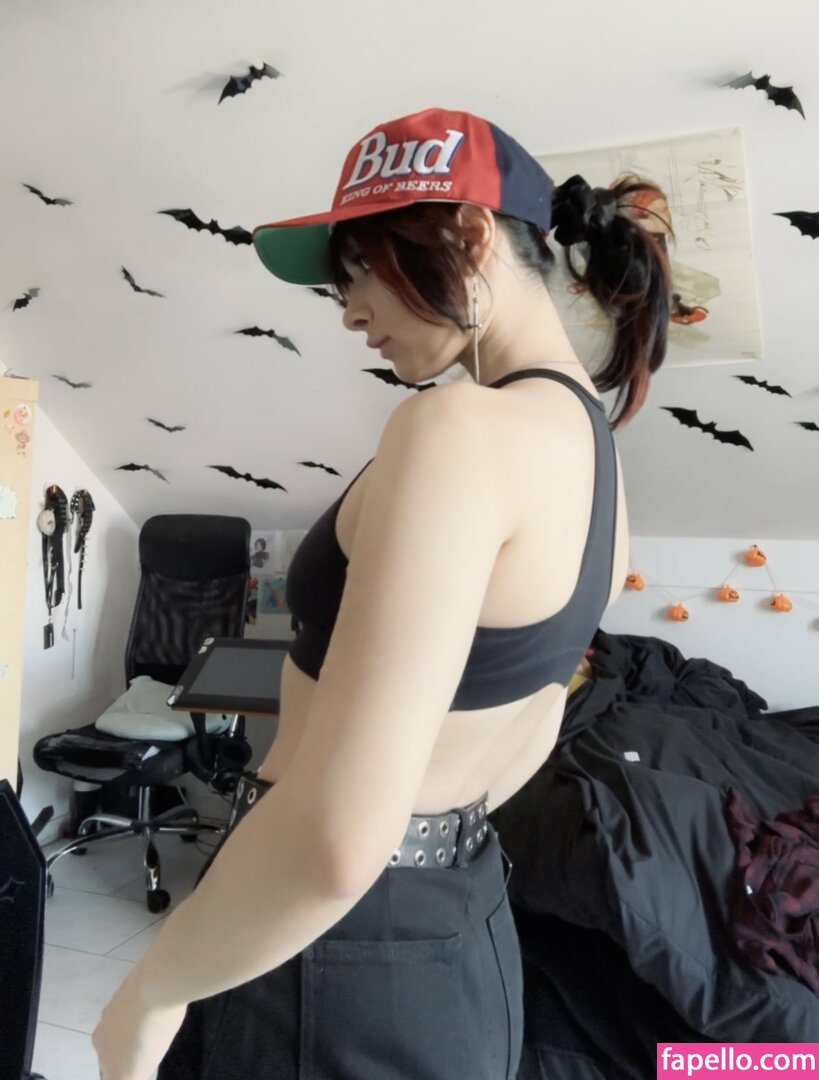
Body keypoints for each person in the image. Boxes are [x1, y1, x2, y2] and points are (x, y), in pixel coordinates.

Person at [92, 107, 671, 1080]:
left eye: (359, 270)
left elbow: (336, 846)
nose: (349, 312)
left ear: (471, 237)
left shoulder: (457, 432)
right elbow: (525, 732)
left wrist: (153, 990)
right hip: (458, 933)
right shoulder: (599, 465)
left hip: (328, 951)